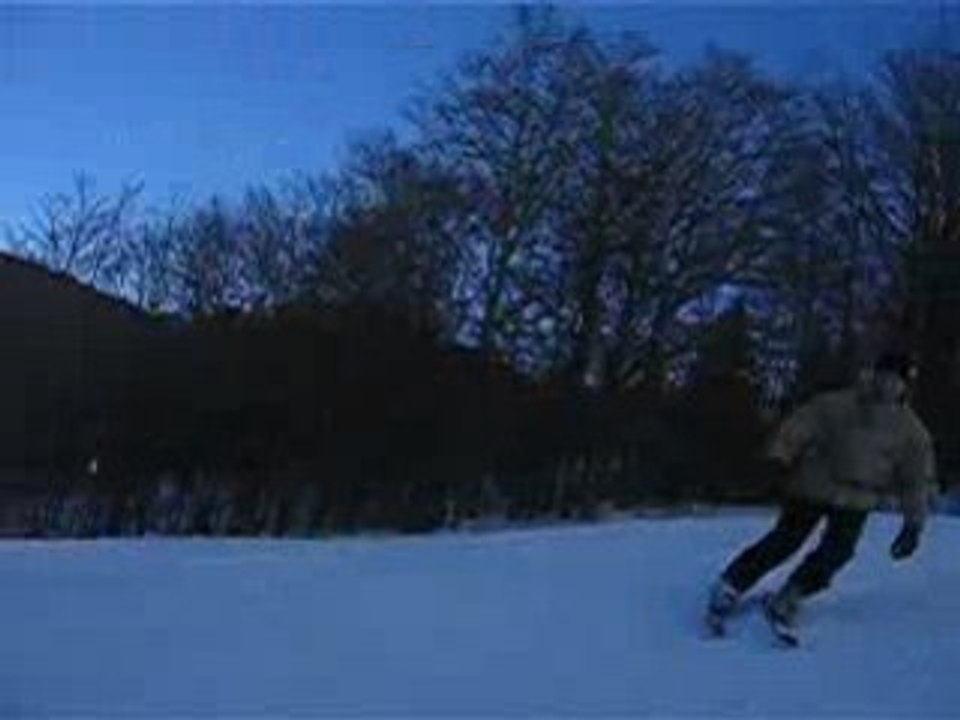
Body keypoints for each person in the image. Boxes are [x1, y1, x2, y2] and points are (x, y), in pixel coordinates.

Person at [706, 351, 937, 636]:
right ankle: (731, 584)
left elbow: (915, 480)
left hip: (858, 498)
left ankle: (792, 593)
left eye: (896, 380)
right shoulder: (839, 404)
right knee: (785, 540)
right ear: (874, 374)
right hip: (815, 485)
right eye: (884, 376)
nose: (888, 384)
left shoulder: (911, 431)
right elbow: (801, 424)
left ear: (905, 385)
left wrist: (913, 525)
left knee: (837, 552)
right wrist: (780, 454)